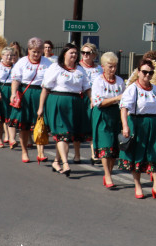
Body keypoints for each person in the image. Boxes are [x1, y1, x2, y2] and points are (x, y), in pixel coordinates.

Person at [119, 61, 156, 200]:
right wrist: (125, 126)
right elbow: (124, 108)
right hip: (137, 123)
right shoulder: (133, 89)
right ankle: (138, 185)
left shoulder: (155, 89)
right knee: (137, 155)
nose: (147, 75)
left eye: (150, 73)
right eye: (144, 72)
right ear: (138, 72)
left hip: (154, 124)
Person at [38, 44, 90, 177]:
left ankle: (56, 161)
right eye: (71, 53)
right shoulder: (55, 67)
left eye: (75, 53)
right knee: (63, 134)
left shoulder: (80, 69)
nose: (74, 55)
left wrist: (93, 101)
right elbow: (45, 88)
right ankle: (66, 163)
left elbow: (86, 88)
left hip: (74, 103)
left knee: (66, 134)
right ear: (64, 54)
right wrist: (40, 108)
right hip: (57, 101)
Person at [91, 52, 125, 190]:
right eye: (110, 66)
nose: (113, 69)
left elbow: (124, 100)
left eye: (115, 66)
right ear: (103, 67)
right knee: (106, 145)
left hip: (115, 114)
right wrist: (116, 98)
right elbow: (98, 102)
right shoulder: (98, 81)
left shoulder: (120, 81)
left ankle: (109, 173)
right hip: (102, 114)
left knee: (114, 148)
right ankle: (107, 174)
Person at [10, 38, 47, 163]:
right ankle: (24, 152)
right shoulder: (21, 62)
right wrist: (13, 93)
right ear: (29, 50)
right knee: (24, 126)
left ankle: (40, 152)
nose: (36, 54)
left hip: (41, 94)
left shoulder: (48, 63)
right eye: (33, 51)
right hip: (26, 94)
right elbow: (16, 80)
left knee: (40, 124)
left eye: (38, 51)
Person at [76, 43, 102, 164]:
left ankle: (94, 154)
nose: (85, 55)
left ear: (94, 55)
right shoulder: (78, 67)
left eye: (88, 53)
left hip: (93, 98)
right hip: (81, 98)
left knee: (92, 126)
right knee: (78, 126)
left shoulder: (98, 69)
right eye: (83, 52)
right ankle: (77, 154)